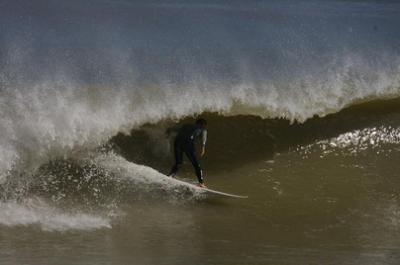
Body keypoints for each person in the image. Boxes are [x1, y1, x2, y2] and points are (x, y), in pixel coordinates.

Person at [168, 118, 208, 188]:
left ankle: (170, 176)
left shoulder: (186, 125)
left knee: (179, 163)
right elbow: (204, 136)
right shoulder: (202, 129)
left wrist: (168, 132)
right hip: (188, 143)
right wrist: (203, 147)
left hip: (177, 141)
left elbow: (174, 129)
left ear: (196, 123)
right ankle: (201, 183)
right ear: (203, 125)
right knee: (196, 165)